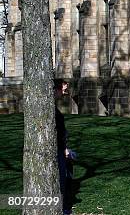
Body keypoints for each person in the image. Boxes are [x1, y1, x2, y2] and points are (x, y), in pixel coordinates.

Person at [54, 79, 73, 215]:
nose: (64, 93)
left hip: (61, 147)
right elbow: (58, 132)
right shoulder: (52, 109)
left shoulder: (53, 107)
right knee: (63, 178)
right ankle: (64, 208)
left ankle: (64, 206)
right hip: (59, 149)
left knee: (66, 175)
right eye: (63, 90)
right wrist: (64, 149)